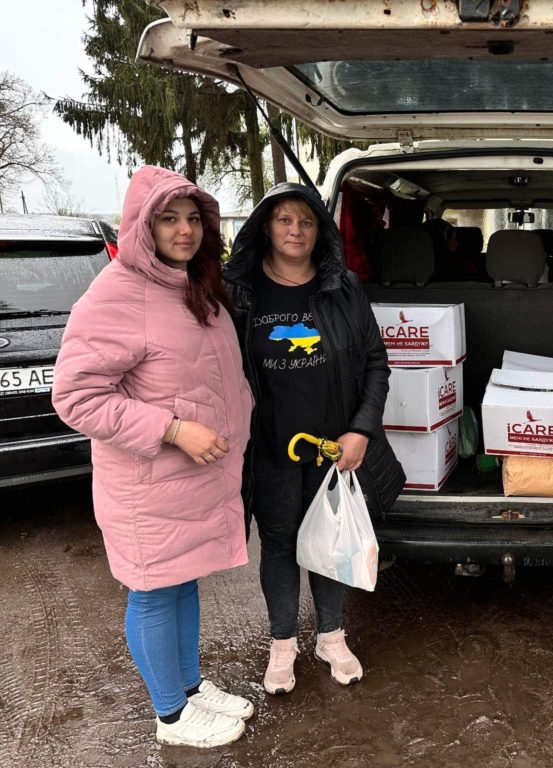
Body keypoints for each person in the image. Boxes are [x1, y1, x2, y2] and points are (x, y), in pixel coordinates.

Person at [52, 166, 255, 748]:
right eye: (169, 218)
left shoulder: (192, 285)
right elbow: (75, 396)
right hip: (150, 481)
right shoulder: (116, 294)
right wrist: (170, 429)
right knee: (153, 591)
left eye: (193, 219)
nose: (184, 230)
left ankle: (189, 687)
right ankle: (171, 715)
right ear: (144, 225)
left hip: (190, 480)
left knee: (181, 581)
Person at [223, 183, 405, 697]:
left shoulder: (343, 288)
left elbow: (375, 361)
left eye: (305, 221)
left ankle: (331, 636)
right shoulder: (240, 293)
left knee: (329, 542)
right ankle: (283, 644)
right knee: (279, 544)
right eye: (283, 220)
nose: (295, 231)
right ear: (266, 228)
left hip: (333, 449)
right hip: (270, 449)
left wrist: (361, 430)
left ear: (319, 229)